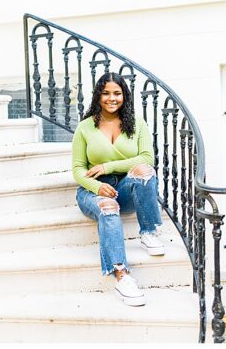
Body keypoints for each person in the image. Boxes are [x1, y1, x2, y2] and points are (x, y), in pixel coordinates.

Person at [72, 72, 164, 307]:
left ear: (124, 96)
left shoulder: (137, 124)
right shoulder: (85, 127)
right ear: (98, 96)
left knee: (144, 171)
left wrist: (107, 166)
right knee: (108, 206)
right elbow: (78, 170)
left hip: (124, 187)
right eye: (106, 93)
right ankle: (122, 275)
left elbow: (146, 158)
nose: (111, 98)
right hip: (93, 191)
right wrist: (97, 185)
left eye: (117, 93)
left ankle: (148, 231)